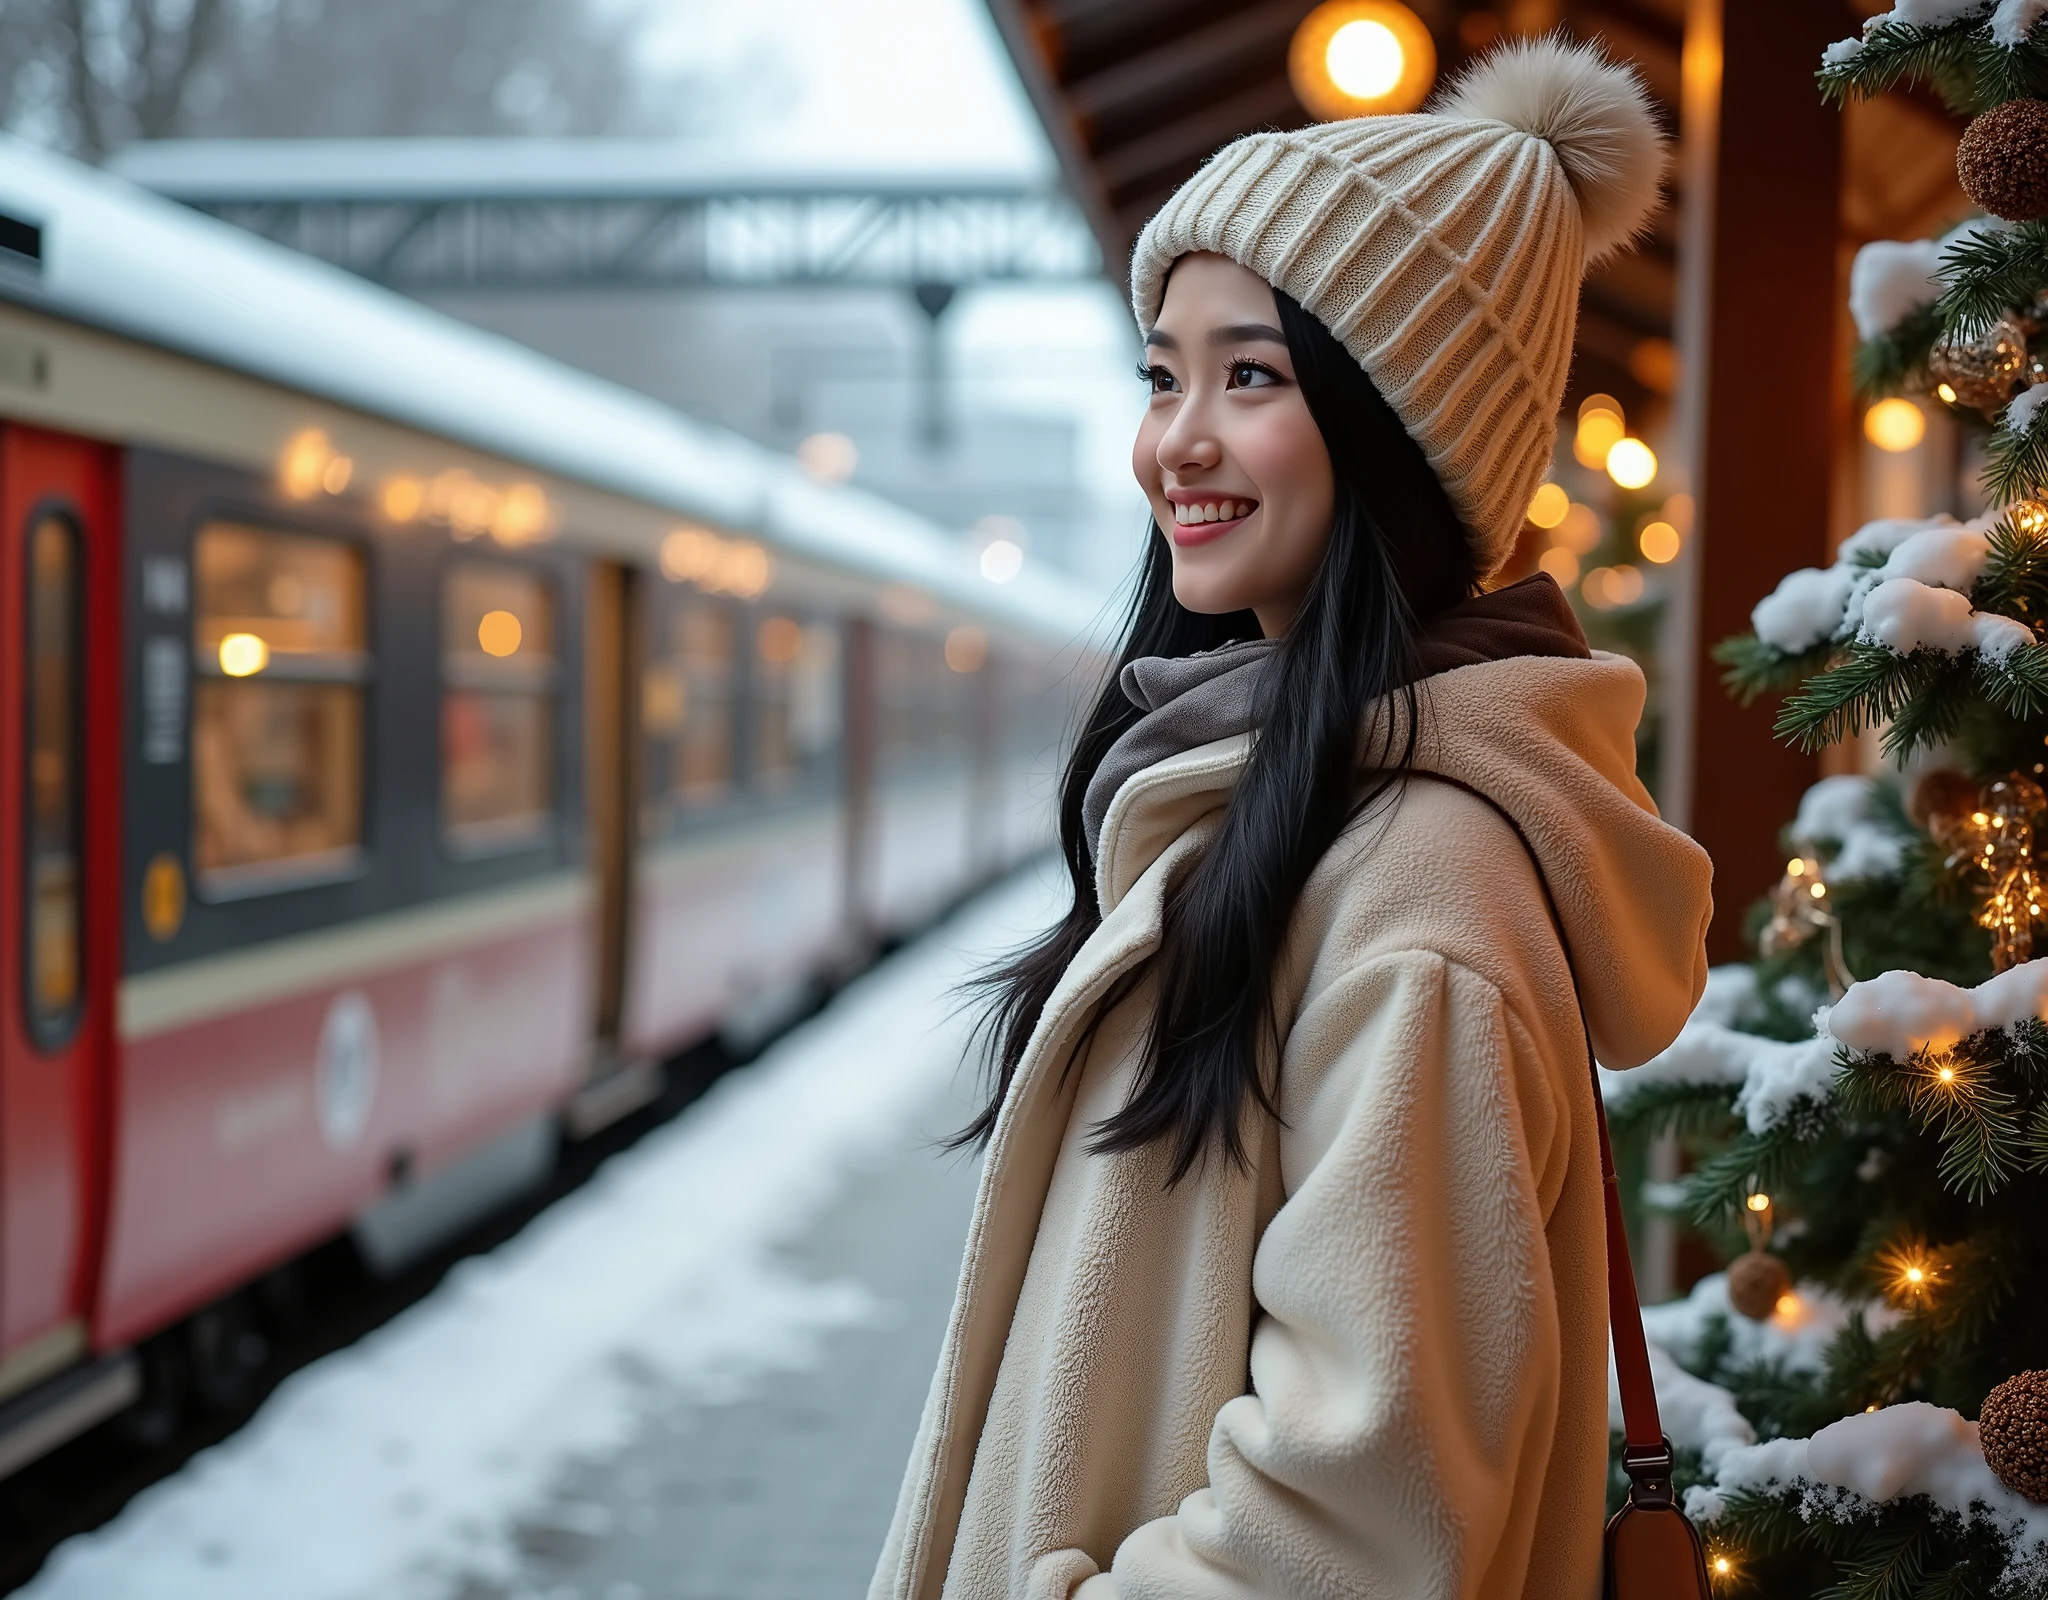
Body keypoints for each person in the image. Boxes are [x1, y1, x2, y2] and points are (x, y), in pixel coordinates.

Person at [871, 36, 1713, 1600]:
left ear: (1399, 430)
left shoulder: (1420, 888)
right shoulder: (1285, 807)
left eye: (1250, 375)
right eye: (1162, 373)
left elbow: (1356, 1519)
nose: (1174, 440)